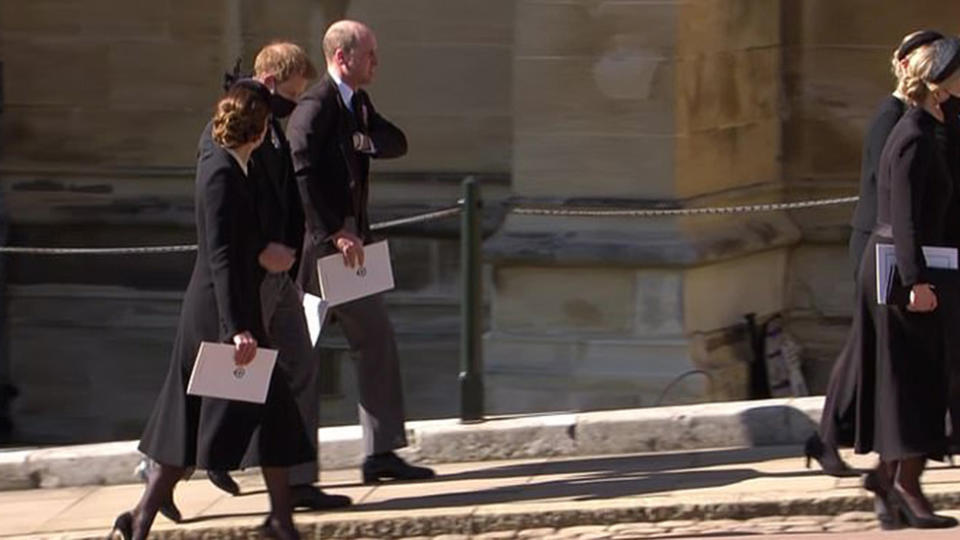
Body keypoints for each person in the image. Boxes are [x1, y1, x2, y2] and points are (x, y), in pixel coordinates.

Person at [109, 85, 313, 540]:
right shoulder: (221, 171)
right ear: (258, 131)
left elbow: (240, 239)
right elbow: (219, 255)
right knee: (195, 419)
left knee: (270, 411)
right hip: (218, 315)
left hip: (232, 308)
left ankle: (279, 521)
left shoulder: (238, 165)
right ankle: (141, 517)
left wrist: (263, 252)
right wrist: (237, 327)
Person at [286, 20, 435, 484]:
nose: (376, 62)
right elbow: (301, 168)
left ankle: (382, 452)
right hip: (321, 252)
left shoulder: (359, 104)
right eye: (369, 53)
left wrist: (361, 140)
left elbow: (397, 142)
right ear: (342, 57)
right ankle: (295, 474)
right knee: (302, 358)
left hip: (352, 251)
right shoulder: (315, 105)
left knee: (376, 342)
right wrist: (333, 230)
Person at [806, 31, 944, 481]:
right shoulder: (894, 118)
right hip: (877, 242)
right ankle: (833, 438)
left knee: (861, 345)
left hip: (888, 245)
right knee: (863, 345)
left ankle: (829, 438)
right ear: (905, 65)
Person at [852, 36, 960, 530]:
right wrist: (916, 281)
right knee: (912, 382)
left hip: (924, 265)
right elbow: (905, 217)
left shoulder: (937, 122)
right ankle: (904, 484)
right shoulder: (912, 133)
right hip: (903, 270)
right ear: (940, 81)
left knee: (920, 379)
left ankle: (894, 481)